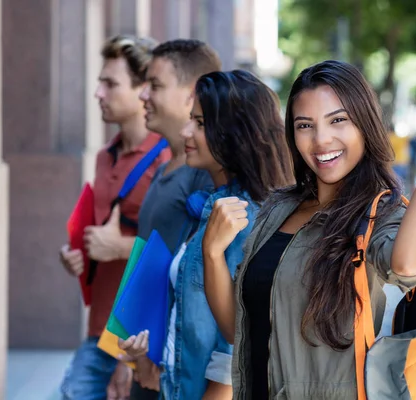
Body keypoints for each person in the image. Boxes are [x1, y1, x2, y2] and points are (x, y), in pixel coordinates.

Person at [202, 60, 416, 399]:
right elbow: (239, 329)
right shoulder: (278, 209)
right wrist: (212, 253)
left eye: (338, 120)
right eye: (304, 125)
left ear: (364, 125)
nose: (321, 140)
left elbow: (408, 265)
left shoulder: (377, 214)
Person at [120, 70, 294, 400]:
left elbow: (234, 352)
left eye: (200, 123)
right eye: (191, 120)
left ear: (234, 135)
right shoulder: (212, 207)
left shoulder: (242, 218)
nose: (186, 131)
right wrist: (147, 361)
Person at [58, 35, 171, 400]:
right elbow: (103, 230)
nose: (98, 93)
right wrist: (80, 252)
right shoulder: (104, 155)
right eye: (99, 82)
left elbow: (178, 247)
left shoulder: (168, 157)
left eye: (110, 83)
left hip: (141, 333)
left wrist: (120, 247)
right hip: (100, 326)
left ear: (143, 89)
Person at [112, 39, 222, 400]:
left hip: (172, 371)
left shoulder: (207, 176)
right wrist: (122, 355)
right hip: (142, 354)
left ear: (192, 94)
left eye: (155, 86)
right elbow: (145, 265)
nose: (143, 95)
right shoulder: (166, 166)